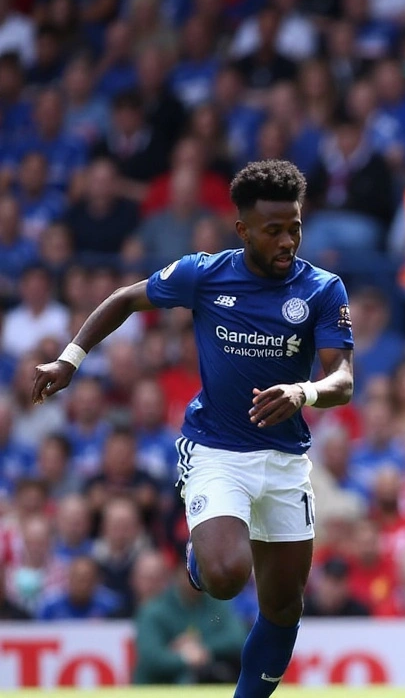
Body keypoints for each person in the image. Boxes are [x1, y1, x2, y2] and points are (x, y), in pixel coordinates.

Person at [32, 160, 355, 698]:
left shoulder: (322, 289)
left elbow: (342, 378)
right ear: (243, 230)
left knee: (283, 607)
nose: (287, 240)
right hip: (216, 449)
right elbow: (125, 298)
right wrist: (70, 359)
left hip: (285, 459)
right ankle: (200, 560)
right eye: (273, 230)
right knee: (227, 577)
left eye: (295, 226)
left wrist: (305, 392)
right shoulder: (206, 274)